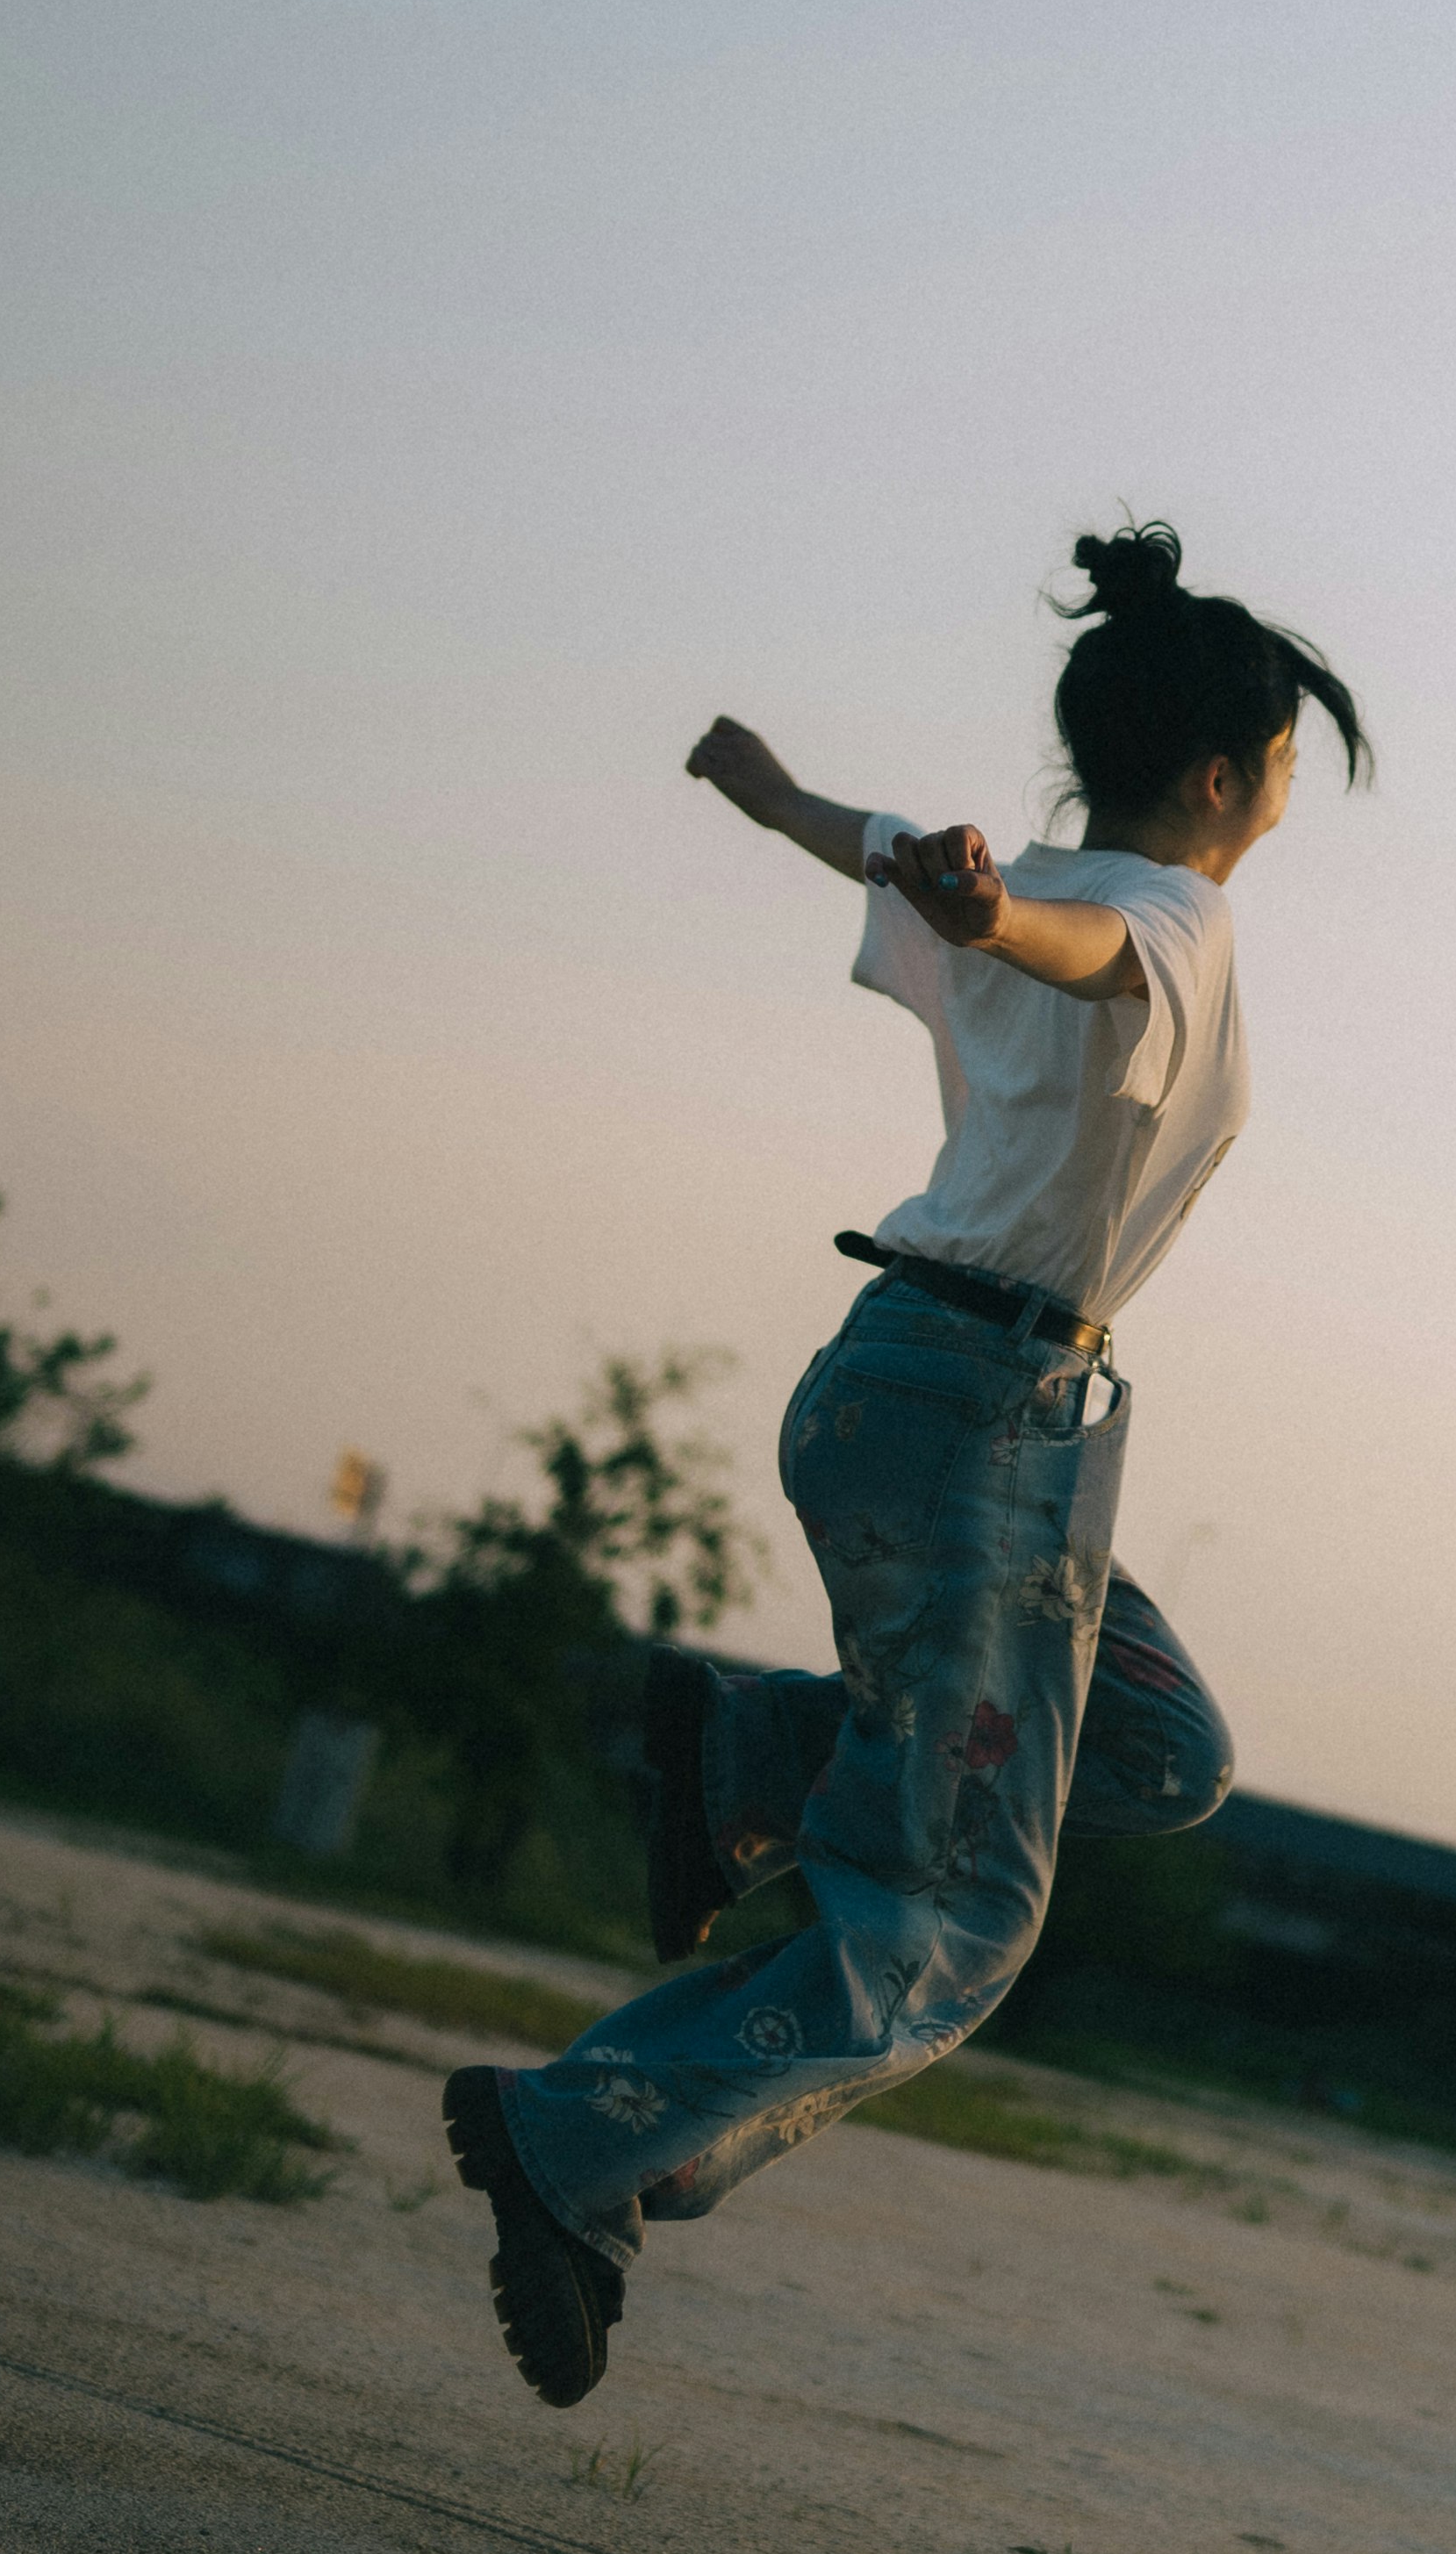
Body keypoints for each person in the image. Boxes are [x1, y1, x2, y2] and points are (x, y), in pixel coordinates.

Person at [442, 520, 1370, 2406]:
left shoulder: (1029, 868)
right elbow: (1078, 947)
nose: (1288, 794)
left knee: (1163, 1750)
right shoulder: (1160, 920)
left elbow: (881, 844)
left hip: (936, 1406)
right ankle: (576, 2141)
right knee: (946, 1917)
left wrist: (768, 788)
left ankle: (756, 1757)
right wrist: (979, 917)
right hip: (978, 1424)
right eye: (1283, 761)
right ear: (1221, 777)